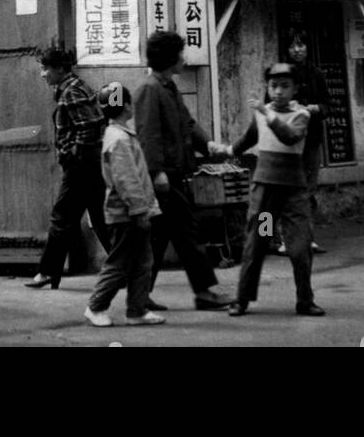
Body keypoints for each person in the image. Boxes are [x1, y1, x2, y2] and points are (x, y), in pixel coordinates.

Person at [133, 30, 231, 312]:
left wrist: (209, 144)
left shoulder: (168, 87)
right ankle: (203, 292)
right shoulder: (149, 90)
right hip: (164, 178)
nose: (184, 59)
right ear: (169, 57)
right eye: (180, 53)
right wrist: (156, 172)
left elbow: (187, 124)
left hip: (174, 174)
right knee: (187, 234)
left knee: (157, 237)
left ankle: (140, 295)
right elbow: (147, 135)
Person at [224, 62, 324, 317]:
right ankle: (242, 300)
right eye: (273, 86)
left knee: (299, 247)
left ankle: (305, 300)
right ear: (268, 88)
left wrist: (266, 115)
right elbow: (250, 138)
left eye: (284, 86)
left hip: (293, 194)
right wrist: (227, 150)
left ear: (295, 89)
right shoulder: (262, 113)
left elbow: (289, 136)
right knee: (256, 243)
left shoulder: (302, 115)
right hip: (266, 194)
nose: (278, 91)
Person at [26, 44, 112, 289]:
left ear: (60, 69)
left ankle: (47, 272)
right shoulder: (78, 86)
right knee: (98, 218)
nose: (43, 74)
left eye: (46, 69)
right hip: (91, 165)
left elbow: (90, 125)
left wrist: (72, 152)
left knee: (61, 217)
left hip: (80, 168)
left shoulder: (70, 92)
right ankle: (124, 265)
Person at [83, 82, 164, 327]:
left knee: (142, 262)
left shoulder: (119, 135)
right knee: (120, 264)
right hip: (126, 213)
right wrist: (140, 210)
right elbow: (127, 179)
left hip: (132, 211)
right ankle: (95, 307)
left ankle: (137, 310)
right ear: (127, 106)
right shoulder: (118, 139)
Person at [283, 29, 329, 253]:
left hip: (311, 140)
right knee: (286, 190)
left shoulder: (317, 74)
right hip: (288, 142)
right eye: (292, 45)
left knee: (308, 190)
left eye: (301, 45)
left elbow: (328, 106)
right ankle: (282, 238)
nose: (297, 49)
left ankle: (307, 237)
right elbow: (268, 107)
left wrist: (316, 108)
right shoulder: (280, 75)